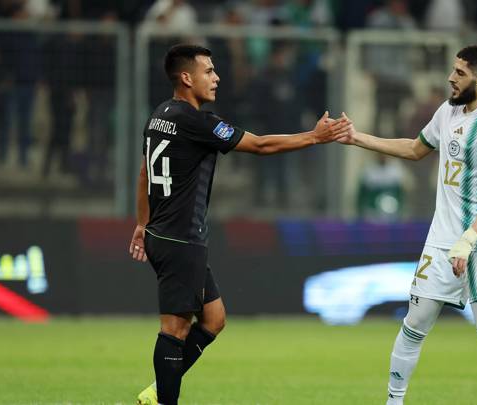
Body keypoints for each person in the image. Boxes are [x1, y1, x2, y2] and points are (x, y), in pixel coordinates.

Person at [128, 44, 350, 405]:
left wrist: (142, 223)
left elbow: (143, 172)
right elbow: (260, 145)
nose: (216, 78)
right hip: (180, 240)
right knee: (175, 330)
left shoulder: (159, 115)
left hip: (165, 233)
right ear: (187, 77)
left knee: (213, 319)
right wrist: (314, 137)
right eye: (208, 71)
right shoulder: (198, 121)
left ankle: (158, 389)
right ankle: (164, 399)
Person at [337, 45, 477, 405]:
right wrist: (356, 137)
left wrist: (469, 239)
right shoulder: (448, 112)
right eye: (453, 70)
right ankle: (394, 401)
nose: (451, 78)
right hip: (441, 242)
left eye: (460, 73)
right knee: (414, 325)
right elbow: (414, 149)